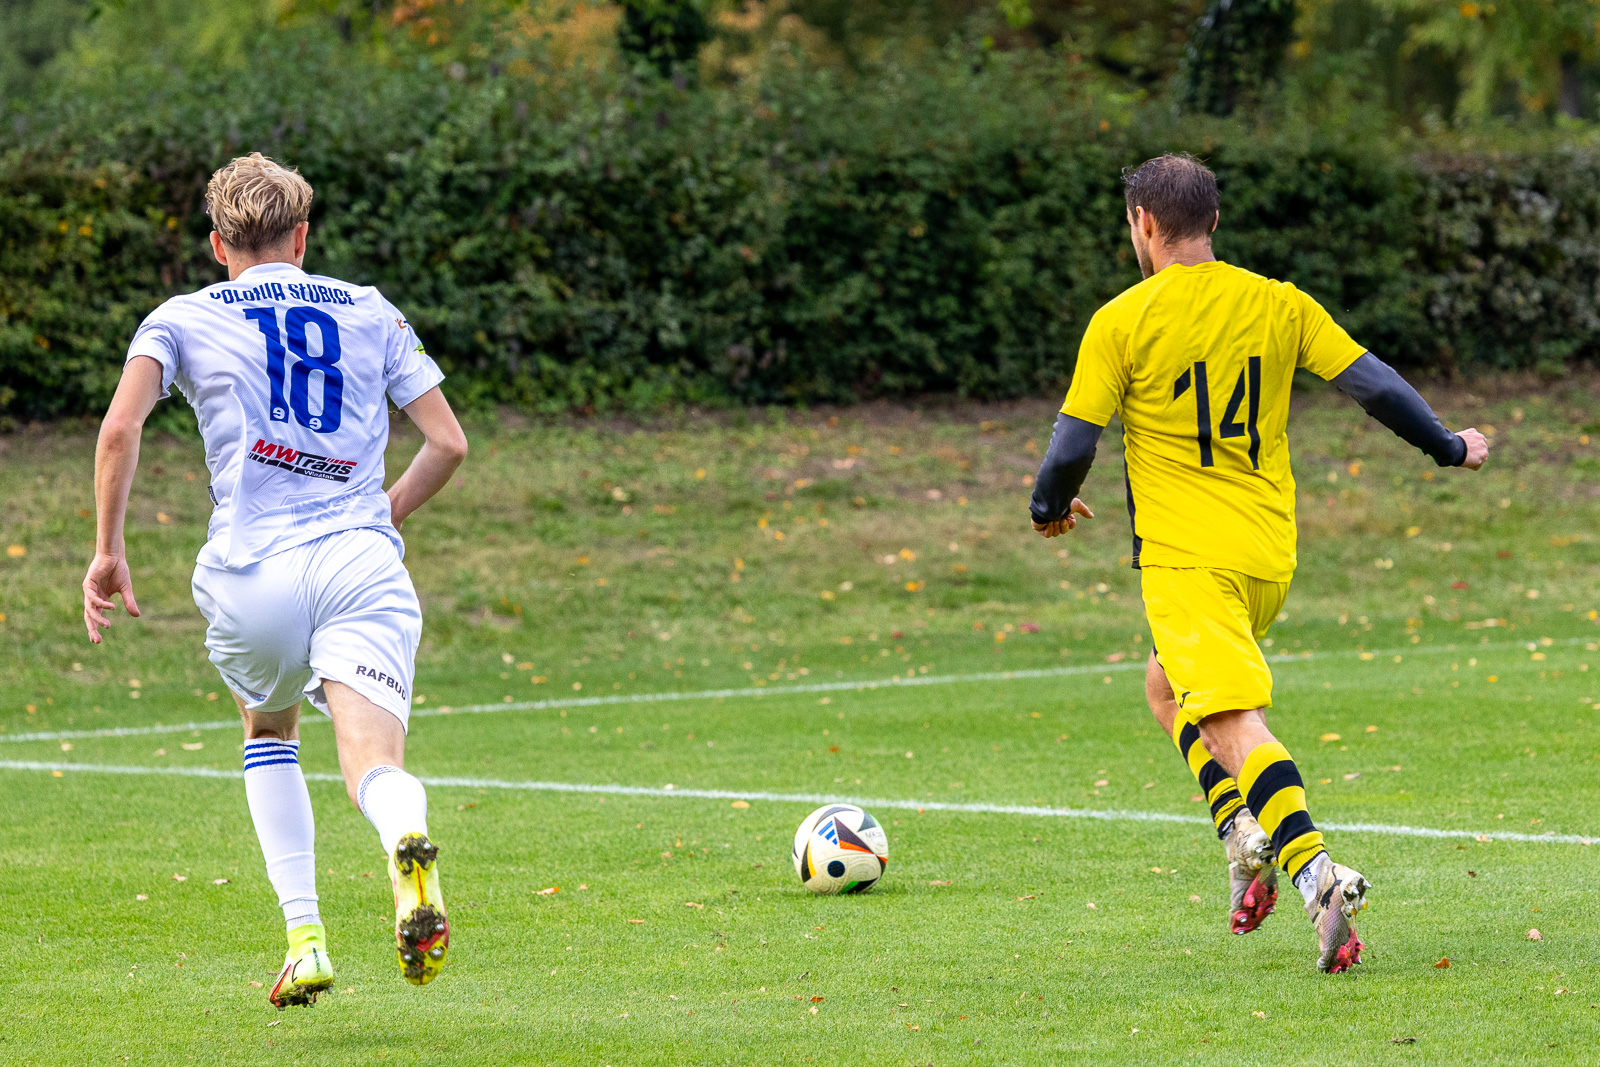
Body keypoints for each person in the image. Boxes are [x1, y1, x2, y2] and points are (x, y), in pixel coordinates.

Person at [1030, 153, 1488, 973]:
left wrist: (1047, 507)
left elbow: (1071, 446)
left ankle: (1315, 871)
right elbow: (1376, 386)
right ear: (1214, 221)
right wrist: (1449, 446)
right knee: (1165, 685)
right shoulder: (1280, 303)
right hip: (1268, 555)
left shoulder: (1122, 320)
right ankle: (1241, 830)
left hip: (1187, 559)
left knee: (1231, 722)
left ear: (1142, 223)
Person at [81, 153, 469, 1007]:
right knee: (373, 761)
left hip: (253, 571)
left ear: (219, 245)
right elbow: (448, 443)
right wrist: (384, 514)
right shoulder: (370, 308)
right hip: (359, 560)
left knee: (268, 729)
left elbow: (118, 429)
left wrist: (108, 548)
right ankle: (405, 831)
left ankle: (305, 939)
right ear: (302, 237)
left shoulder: (179, 317)